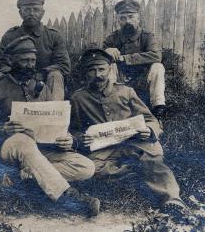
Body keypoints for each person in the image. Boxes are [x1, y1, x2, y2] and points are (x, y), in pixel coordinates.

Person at [0, 36, 100, 216]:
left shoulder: (40, 87)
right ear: (11, 60)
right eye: (24, 60)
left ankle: (20, 180)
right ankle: (70, 197)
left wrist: (67, 139)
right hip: (10, 149)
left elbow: (55, 119)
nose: (30, 65)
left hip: (41, 150)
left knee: (86, 167)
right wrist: (2, 130)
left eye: (33, 61)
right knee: (22, 140)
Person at [70, 47, 189, 218]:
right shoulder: (78, 98)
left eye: (102, 69)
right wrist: (81, 138)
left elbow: (150, 119)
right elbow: (73, 130)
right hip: (102, 150)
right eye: (92, 70)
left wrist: (149, 130)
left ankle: (172, 199)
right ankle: (135, 171)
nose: (98, 75)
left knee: (152, 157)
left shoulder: (125, 92)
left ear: (110, 70)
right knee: (91, 169)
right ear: (86, 73)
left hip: (132, 143)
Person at [0, 0, 71, 100]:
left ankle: (55, 112)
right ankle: (1, 114)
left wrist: (43, 72)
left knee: (55, 75)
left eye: (36, 10)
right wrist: (15, 72)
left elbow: (64, 65)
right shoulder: (10, 35)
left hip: (45, 81)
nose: (32, 13)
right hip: (16, 81)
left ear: (42, 13)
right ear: (20, 13)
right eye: (27, 10)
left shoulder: (53, 36)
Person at [103, 0, 166, 120]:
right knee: (109, 66)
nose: (127, 21)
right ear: (118, 21)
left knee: (158, 67)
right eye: (123, 18)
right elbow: (98, 61)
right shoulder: (112, 38)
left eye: (131, 17)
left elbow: (156, 56)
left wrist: (125, 58)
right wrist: (106, 52)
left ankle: (159, 108)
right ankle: (111, 106)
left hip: (143, 77)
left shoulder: (147, 36)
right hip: (120, 77)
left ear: (138, 18)